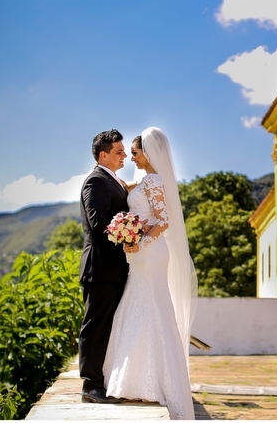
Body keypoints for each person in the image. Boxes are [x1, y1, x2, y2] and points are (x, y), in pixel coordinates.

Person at [103, 127, 198, 420]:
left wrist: (140, 241)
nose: (132, 157)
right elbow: (128, 191)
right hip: (142, 253)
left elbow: (164, 220)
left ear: (148, 152)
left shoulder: (154, 181)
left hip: (151, 252)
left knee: (152, 306)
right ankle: (140, 377)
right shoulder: (147, 181)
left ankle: (153, 380)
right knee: (142, 306)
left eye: (135, 152)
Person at [78, 129, 130, 404]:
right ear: (103, 155)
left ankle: (105, 379)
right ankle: (91, 386)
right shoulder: (95, 182)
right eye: (119, 152)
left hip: (115, 268)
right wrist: (133, 233)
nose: (124, 156)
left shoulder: (113, 180)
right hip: (100, 268)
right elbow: (100, 223)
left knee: (110, 326)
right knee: (96, 326)